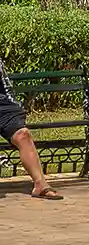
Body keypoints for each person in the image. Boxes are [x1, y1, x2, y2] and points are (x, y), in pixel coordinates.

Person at [0, 58, 60, 199]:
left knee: (23, 135)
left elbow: (5, 84)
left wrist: (14, 105)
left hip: (2, 104)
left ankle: (41, 185)